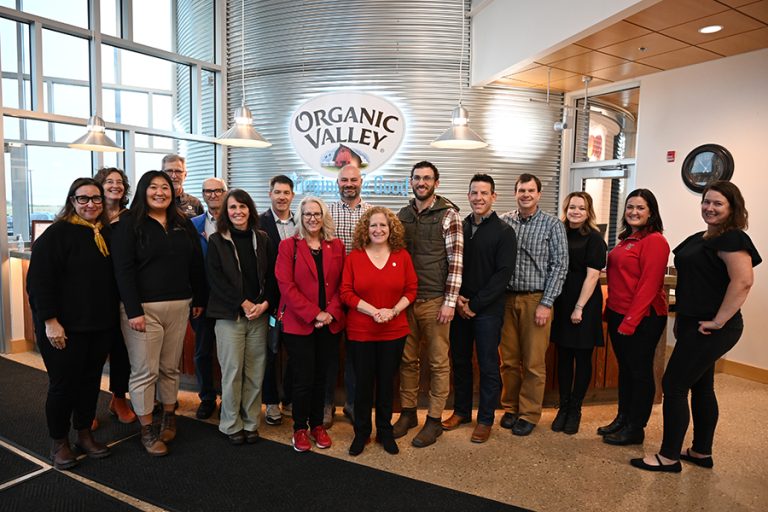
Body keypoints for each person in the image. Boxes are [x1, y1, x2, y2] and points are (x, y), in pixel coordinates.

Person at [632, 181, 761, 472]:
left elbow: (743, 282)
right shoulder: (701, 237)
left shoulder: (733, 239)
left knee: (674, 385)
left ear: (732, 208)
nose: (710, 208)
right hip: (694, 324)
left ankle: (668, 457)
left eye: (718, 204)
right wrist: (683, 320)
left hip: (714, 328)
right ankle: (701, 451)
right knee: (702, 386)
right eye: (706, 202)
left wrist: (718, 320)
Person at [111, 170, 205, 457]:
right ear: (143, 190)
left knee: (169, 368)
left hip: (179, 306)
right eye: (153, 187)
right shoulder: (128, 223)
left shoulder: (182, 223)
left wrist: (198, 298)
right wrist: (133, 310)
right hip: (143, 311)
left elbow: (195, 263)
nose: (160, 192)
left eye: (165, 187)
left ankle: (168, 415)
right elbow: (123, 270)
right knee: (145, 371)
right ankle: (147, 429)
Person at [27, 177, 118, 469]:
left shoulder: (105, 233)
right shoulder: (56, 235)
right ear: (72, 201)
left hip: (98, 326)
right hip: (63, 329)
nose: (91, 204)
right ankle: (59, 442)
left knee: (90, 383)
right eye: (83, 199)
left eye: (96, 198)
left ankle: (83, 434)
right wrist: (50, 322)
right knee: (63, 386)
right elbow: (39, 283)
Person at [393, 161, 463, 448]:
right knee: (407, 360)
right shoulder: (403, 214)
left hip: (436, 301)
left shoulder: (449, 215)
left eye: (427, 178)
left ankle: (434, 420)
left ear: (436, 182)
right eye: (417, 178)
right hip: (405, 302)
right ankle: (408, 413)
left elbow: (456, 263)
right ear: (410, 181)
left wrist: (450, 301)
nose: (421, 182)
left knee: (437, 362)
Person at [443, 174, 516, 443]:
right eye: (474, 193)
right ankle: (461, 411)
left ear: (493, 197)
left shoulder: (504, 232)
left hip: (487, 310)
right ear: (469, 196)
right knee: (460, 362)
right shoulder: (460, 227)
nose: (478, 198)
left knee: (487, 366)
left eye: (484, 193)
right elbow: (450, 265)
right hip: (460, 307)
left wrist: (475, 304)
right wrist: (459, 299)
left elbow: (503, 275)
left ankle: (485, 419)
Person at [341, 207, 417, 456]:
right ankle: (362, 433)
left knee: (386, 383)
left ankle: (384, 431)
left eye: (383, 225)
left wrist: (393, 311)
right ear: (366, 228)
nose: (378, 230)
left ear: (391, 228)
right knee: (362, 384)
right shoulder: (355, 257)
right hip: (361, 330)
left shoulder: (402, 256)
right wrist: (373, 311)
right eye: (373, 225)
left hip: (393, 330)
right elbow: (346, 293)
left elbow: (411, 290)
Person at [206, 189, 278, 445]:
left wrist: (265, 304)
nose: (237, 212)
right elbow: (215, 280)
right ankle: (230, 423)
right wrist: (244, 302)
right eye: (232, 207)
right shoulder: (217, 240)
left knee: (255, 371)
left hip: (258, 316)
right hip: (230, 316)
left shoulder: (263, 239)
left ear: (250, 209)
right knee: (233, 371)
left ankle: (250, 423)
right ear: (226, 212)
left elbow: (272, 277)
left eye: (242, 207)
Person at [499, 173, 568, 436]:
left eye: (530, 190)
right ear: (515, 193)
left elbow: (559, 266)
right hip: (506, 300)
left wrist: (546, 303)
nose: (525, 194)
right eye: (521, 190)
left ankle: (528, 413)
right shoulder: (504, 222)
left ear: (539, 194)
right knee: (508, 360)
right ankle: (510, 408)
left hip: (536, 300)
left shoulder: (552, 225)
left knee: (533, 363)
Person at [275, 196, 345, 452]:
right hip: (299, 324)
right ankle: (300, 429)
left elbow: (341, 286)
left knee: (322, 378)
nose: (312, 219)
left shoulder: (336, 246)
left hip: (330, 324)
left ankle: (317, 426)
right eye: (307, 214)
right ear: (300, 218)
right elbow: (286, 287)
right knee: (303, 379)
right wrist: (316, 314)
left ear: (324, 216)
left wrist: (329, 314)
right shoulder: (288, 246)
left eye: (317, 214)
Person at [601, 188, 669, 446]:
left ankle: (635, 428)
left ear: (651, 212)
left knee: (639, 373)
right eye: (630, 207)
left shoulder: (655, 241)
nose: (633, 212)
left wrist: (631, 321)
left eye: (640, 208)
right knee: (626, 371)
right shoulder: (628, 238)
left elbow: (649, 286)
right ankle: (622, 418)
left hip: (643, 318)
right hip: (619, 313)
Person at [549, 192, 607, 435]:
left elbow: (593, 275)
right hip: (562, 301)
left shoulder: (594, 238)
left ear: (588, 211)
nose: (575, 211)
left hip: (584, 302)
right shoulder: (558, 231)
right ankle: (563, 407)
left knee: (582, 358)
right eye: (572, 207)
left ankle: (575, 409)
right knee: (563, 357)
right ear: (566, 208)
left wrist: (579, 307)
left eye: (581, 208)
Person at [327, 164, 373, 427]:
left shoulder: (372, 214)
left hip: (360, 298)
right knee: (329, 354)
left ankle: (354, 405)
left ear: (361, 181)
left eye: (353, 179)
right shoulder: (326, 212)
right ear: (337, 182)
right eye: (344, 179)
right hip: (331, 295)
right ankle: (326, 405)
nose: (349, 183)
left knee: (357, 355)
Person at [92, 167, 136, 426]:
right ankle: (86, 408)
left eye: (120, 182)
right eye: (109, 182)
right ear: (99, 185)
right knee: (94, 353)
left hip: (123, 294)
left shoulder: (130, 218)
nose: (115, 186)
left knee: (122, 351)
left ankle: (119, 398)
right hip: (95, 295)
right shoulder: (89, 217)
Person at [259, 175, 297, 426]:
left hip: (296, 301)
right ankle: (271, 402)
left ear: (293, 195)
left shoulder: (302, 222)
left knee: (296, 352)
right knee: (270, 353)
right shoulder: (258, 223)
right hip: (270, 300)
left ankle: (290, 399)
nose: (282, 196)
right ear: (270, 194)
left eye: (286, 192)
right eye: (277, 192)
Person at [190, 177, 228, 420]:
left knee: (229, 353)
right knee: (203, 351)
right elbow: (189, 264)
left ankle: (229, 398)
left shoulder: (236, 220)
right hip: (202, 301)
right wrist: (195, 299)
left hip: (228, 300)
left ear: (225, 192)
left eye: (217, 191)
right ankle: (206, 397)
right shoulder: (193, 224)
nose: (213, 195)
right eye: (208, 191)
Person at [161, 154, 203, 218]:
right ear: (162, 174)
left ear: (185, 175)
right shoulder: (155, 202)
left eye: (178, 171)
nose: (174, 176)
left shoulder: (195, 203)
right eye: (169, 171)